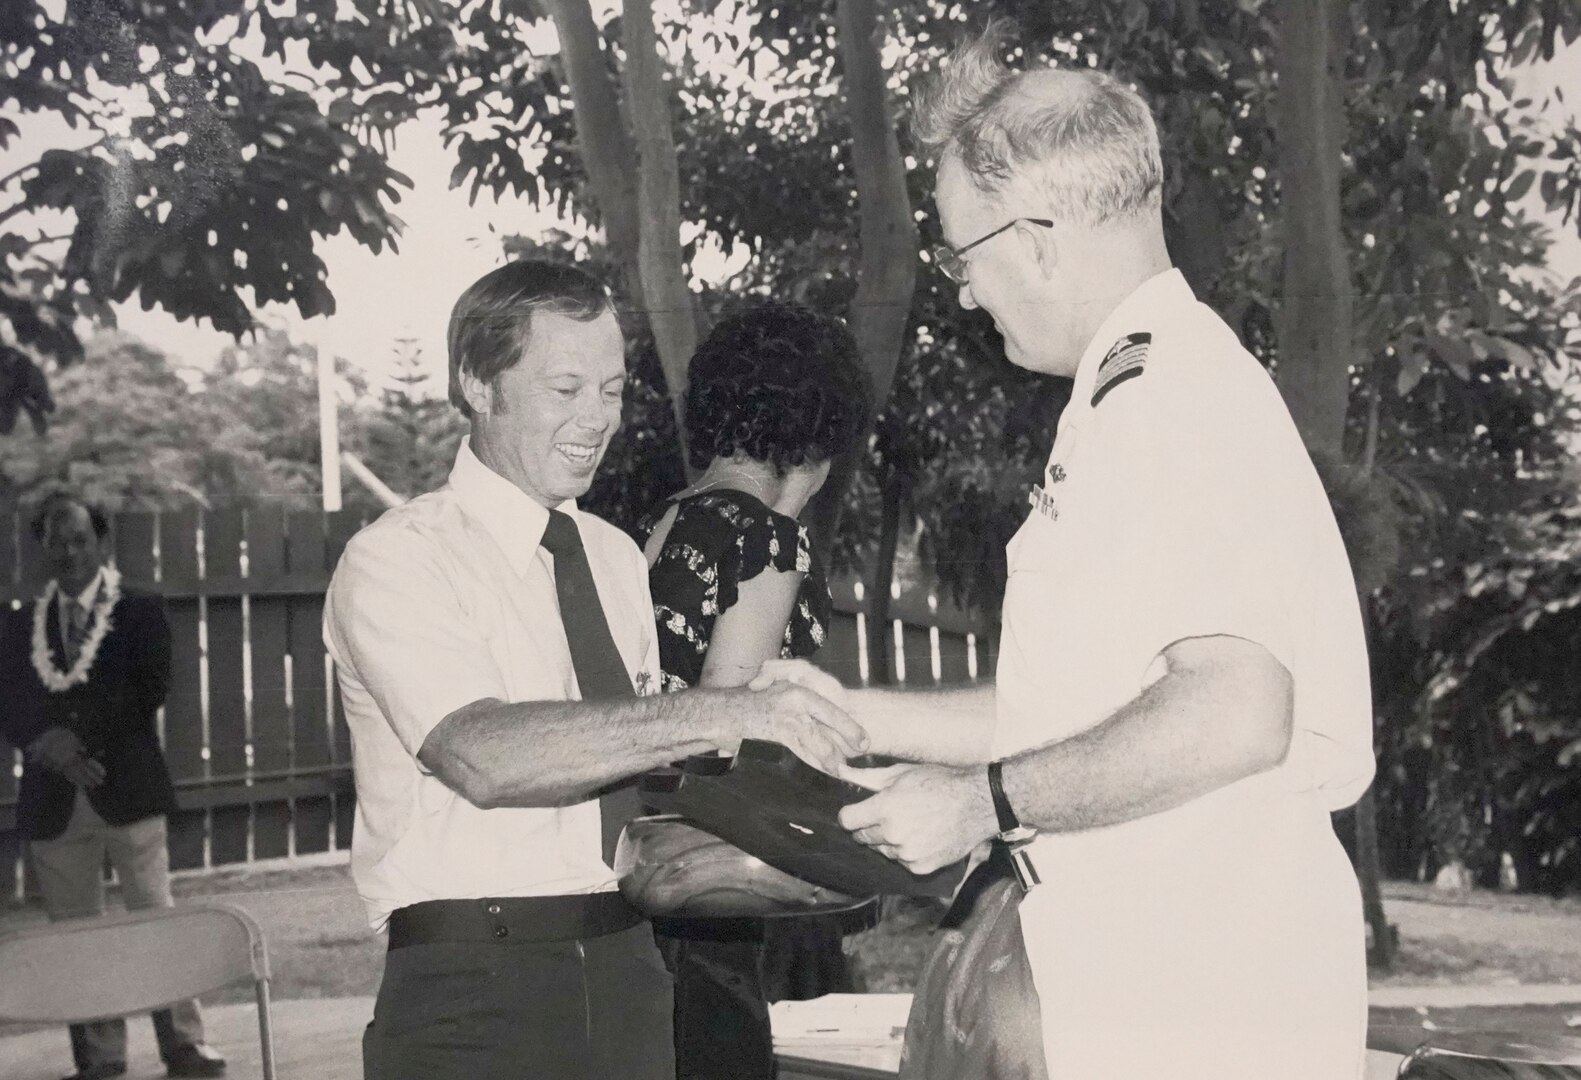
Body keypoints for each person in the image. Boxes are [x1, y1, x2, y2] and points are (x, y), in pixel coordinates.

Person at [823, 30, 1376, 1080]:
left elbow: (1233, 710)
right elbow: (1072, 711)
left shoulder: (1177, 400)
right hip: (1155, 986)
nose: (968, 294)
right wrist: (846, 714)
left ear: (1032, 237)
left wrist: (979, 801)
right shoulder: (1130, 399)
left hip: (1197, 1002)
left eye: (961, 255)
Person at [322, 259, 866, 1080]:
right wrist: (724, 711)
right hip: (473, 986)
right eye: (565, 388)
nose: (596, 419)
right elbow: (484, 756)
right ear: (476, 383)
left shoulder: (615, 556)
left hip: (633, 969)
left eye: (611, 391)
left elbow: (653, 777)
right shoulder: (399, 559)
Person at [635, 300, 874, 1080]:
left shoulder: (662, 522)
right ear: (819, 424)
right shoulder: (766, 538)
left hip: (652, 870)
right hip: (720, 892)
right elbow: (724, 733)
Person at [0, 494, 226, 1080]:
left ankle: (185, 1046)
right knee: (76, 935)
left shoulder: (138, 609)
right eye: (57, 540)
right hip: (54, 798)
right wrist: (48, 746)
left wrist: (79, 744)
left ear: (101, 542)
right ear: (41, 547)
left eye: (80, 539)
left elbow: (148, 687)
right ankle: (98, 1060)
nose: (70, 552)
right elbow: (11, 702)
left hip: (125, 788)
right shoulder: (22, 620)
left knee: (154, 916)